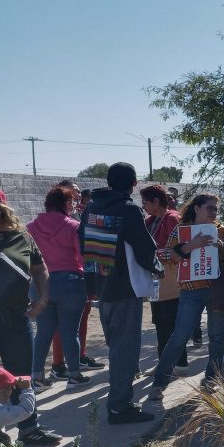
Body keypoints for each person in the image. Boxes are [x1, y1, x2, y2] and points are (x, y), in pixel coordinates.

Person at [0, 185, 62, 445]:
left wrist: (43, 298)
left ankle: (29, 427)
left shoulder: (22, 236)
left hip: (17, 319)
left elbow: (40, 268)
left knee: (22, 374)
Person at [79, 163, 163, 425]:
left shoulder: (91, 207)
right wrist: (157, 268)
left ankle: (119, 401)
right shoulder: (128, 209)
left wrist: (91, 284)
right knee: (125, 350)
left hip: (102, 288)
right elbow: (143, 245)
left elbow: (83, 239)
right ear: (134, 183)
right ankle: (119, 407)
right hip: (126, 288)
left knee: (117, 347)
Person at [148, 194, 224, 399]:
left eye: (216, 209)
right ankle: (160, 383)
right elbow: (166, 255)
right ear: (196, 208)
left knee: (217, 336)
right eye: (209, 208)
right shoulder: (182, 230)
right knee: (180, 336)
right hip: (190, 291)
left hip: (217, 290)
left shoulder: (219, 229)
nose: (213, 212)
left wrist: (221, 247)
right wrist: (191, 245)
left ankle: (211, 379)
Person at [27, 185, 91, 388]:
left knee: (43, 332)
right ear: (65, 204)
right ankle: (74, 375)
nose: (73, 205)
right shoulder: (73, 226)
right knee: (69, 332)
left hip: (39, 283)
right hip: (70, 283)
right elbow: (82, 256)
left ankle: (37, 376)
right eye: (71, 201)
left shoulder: (30, 227)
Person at [48, 180, 102, 378]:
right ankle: (58, 363)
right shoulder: (56, 219)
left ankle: (79, 355)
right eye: (74, 192)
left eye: (79, 193)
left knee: (83, 319)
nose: (78, 195)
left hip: (80, 273)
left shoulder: (79, 213)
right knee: (60, 325)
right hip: (64, 275)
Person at [140, 184, 187, 376]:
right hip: (156, 279)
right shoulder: (150, 220)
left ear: (157, 202)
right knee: (160, 321)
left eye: (145, 202)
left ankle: (180, 363)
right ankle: (164, 362)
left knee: (172, 322)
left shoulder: (173, 219)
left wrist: (155, 253)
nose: (143, 206)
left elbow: (180, 248)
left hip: (171, 278)